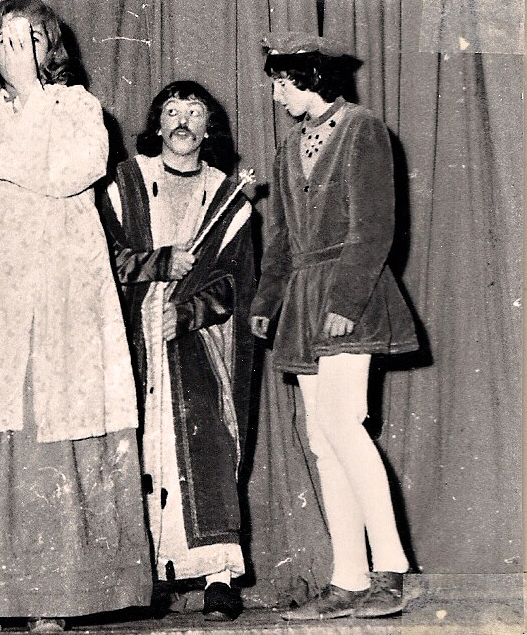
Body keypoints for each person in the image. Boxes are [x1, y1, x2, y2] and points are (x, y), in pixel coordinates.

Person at [0, 0, 152, 630]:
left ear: (52, 49)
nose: (13, 51)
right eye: (2, 40)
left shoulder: (78, 108)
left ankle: (56, 598)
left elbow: (68, 171)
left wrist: (30, 93)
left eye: (29, 40)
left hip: (59, 299)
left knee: (51, 434)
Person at [250, 32, 419, 620]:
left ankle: (390, 571)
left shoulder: (362, 128)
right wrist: (267, 300)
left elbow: (374, 227)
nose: (276, 95)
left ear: (310, 78)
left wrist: (345, 301)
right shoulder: (288, 148)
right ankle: (347, 578)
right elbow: (279, 238)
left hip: (351, 294)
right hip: (303, 300)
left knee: (344, 427)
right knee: (323, 441)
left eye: (281, 83)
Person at [98, 81, 255, 621]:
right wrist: (160, 263)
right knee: (139, 449)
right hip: (133, 338)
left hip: (201, 344)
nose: (183, 120)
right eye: (172, 110)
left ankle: (218, 576)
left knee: (207, 445)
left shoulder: (227, 197)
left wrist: (187, 314)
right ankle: (145, 577)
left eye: (194, 112)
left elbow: (236, 281)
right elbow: (104, 257)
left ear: (209, 128)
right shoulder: (124, 184)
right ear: (157, 125)